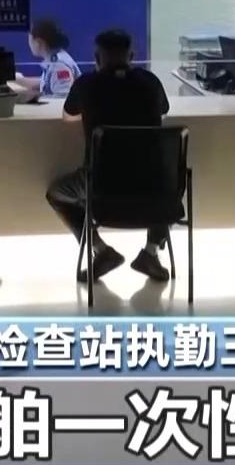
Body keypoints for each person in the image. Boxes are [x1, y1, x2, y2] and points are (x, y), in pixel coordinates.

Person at [45, 28, 174, 283]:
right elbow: (164, 110)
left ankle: (100, 250)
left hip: (100, 188)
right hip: (152, 190)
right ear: (132, 56)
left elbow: (68, 116)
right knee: (171, 185)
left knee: (56, 194)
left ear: (96, 58)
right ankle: (150, 253)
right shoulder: (150, 82)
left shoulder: (86, 85)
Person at [11, 18, 81, 101]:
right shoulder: (54, 60)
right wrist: (13, 78)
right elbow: (42, 83)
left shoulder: (58, 66)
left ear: (38, 42)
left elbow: (62, 99)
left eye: (30, 38)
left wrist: (33, 98)